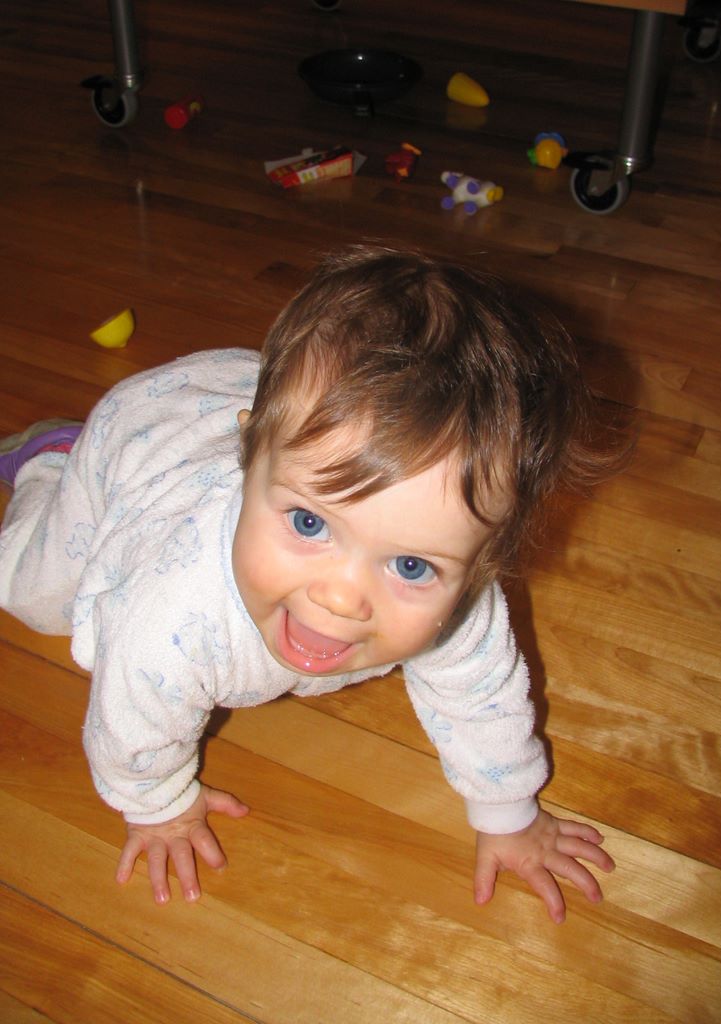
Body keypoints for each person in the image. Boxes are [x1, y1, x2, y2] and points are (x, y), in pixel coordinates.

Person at [0, 245, 618, 923]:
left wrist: (508, 814)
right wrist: (161, 809)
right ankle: (49, 461)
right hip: (141, 436)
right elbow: (132, 720)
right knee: (33, 597)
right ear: (248, 456)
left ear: (483, 560)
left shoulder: (460, 595)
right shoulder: (170, 612)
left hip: (296, 427)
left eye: (411, 566)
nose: (340, 598)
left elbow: (483, 693)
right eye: (308, 522)